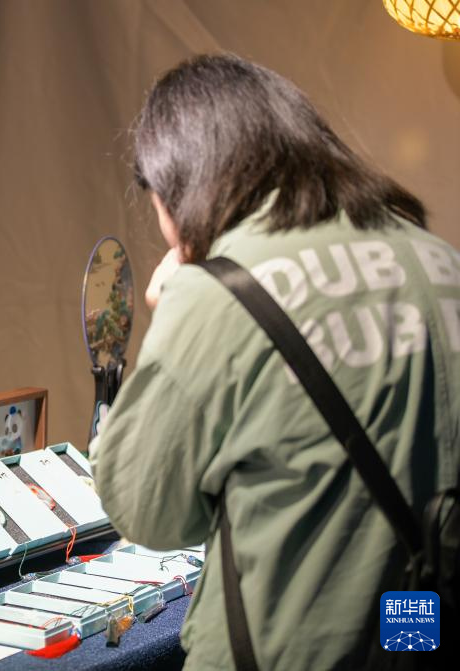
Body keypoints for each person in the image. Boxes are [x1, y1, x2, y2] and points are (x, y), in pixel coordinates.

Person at [93, 54, 457, 669]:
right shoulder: (440, 261)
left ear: (182, 182)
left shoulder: (218, 293)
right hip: (412, 637)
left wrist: (173, 312)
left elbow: (146, 510)